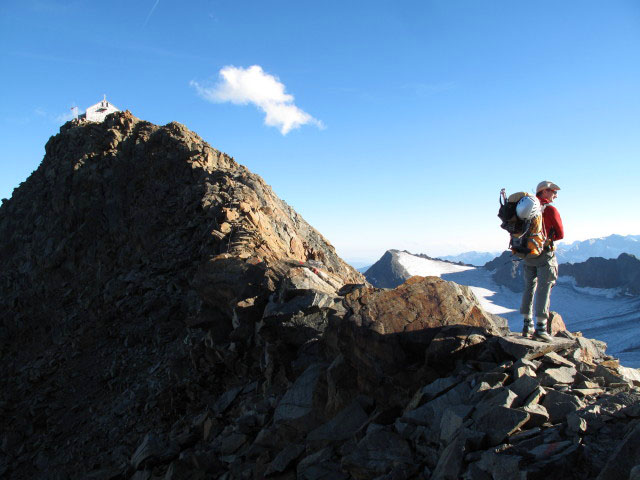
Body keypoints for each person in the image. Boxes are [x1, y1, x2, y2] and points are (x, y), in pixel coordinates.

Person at [520, 181, 564, 342]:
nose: (555, 195)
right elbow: (560, 234)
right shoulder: (549, 210)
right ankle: (541, 329)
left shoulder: (525, 209)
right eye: (553, 191)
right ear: (544, 192)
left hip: (527, 253)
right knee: (544, 289)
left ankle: (527, 325)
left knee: (529, 287)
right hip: (545, 254)